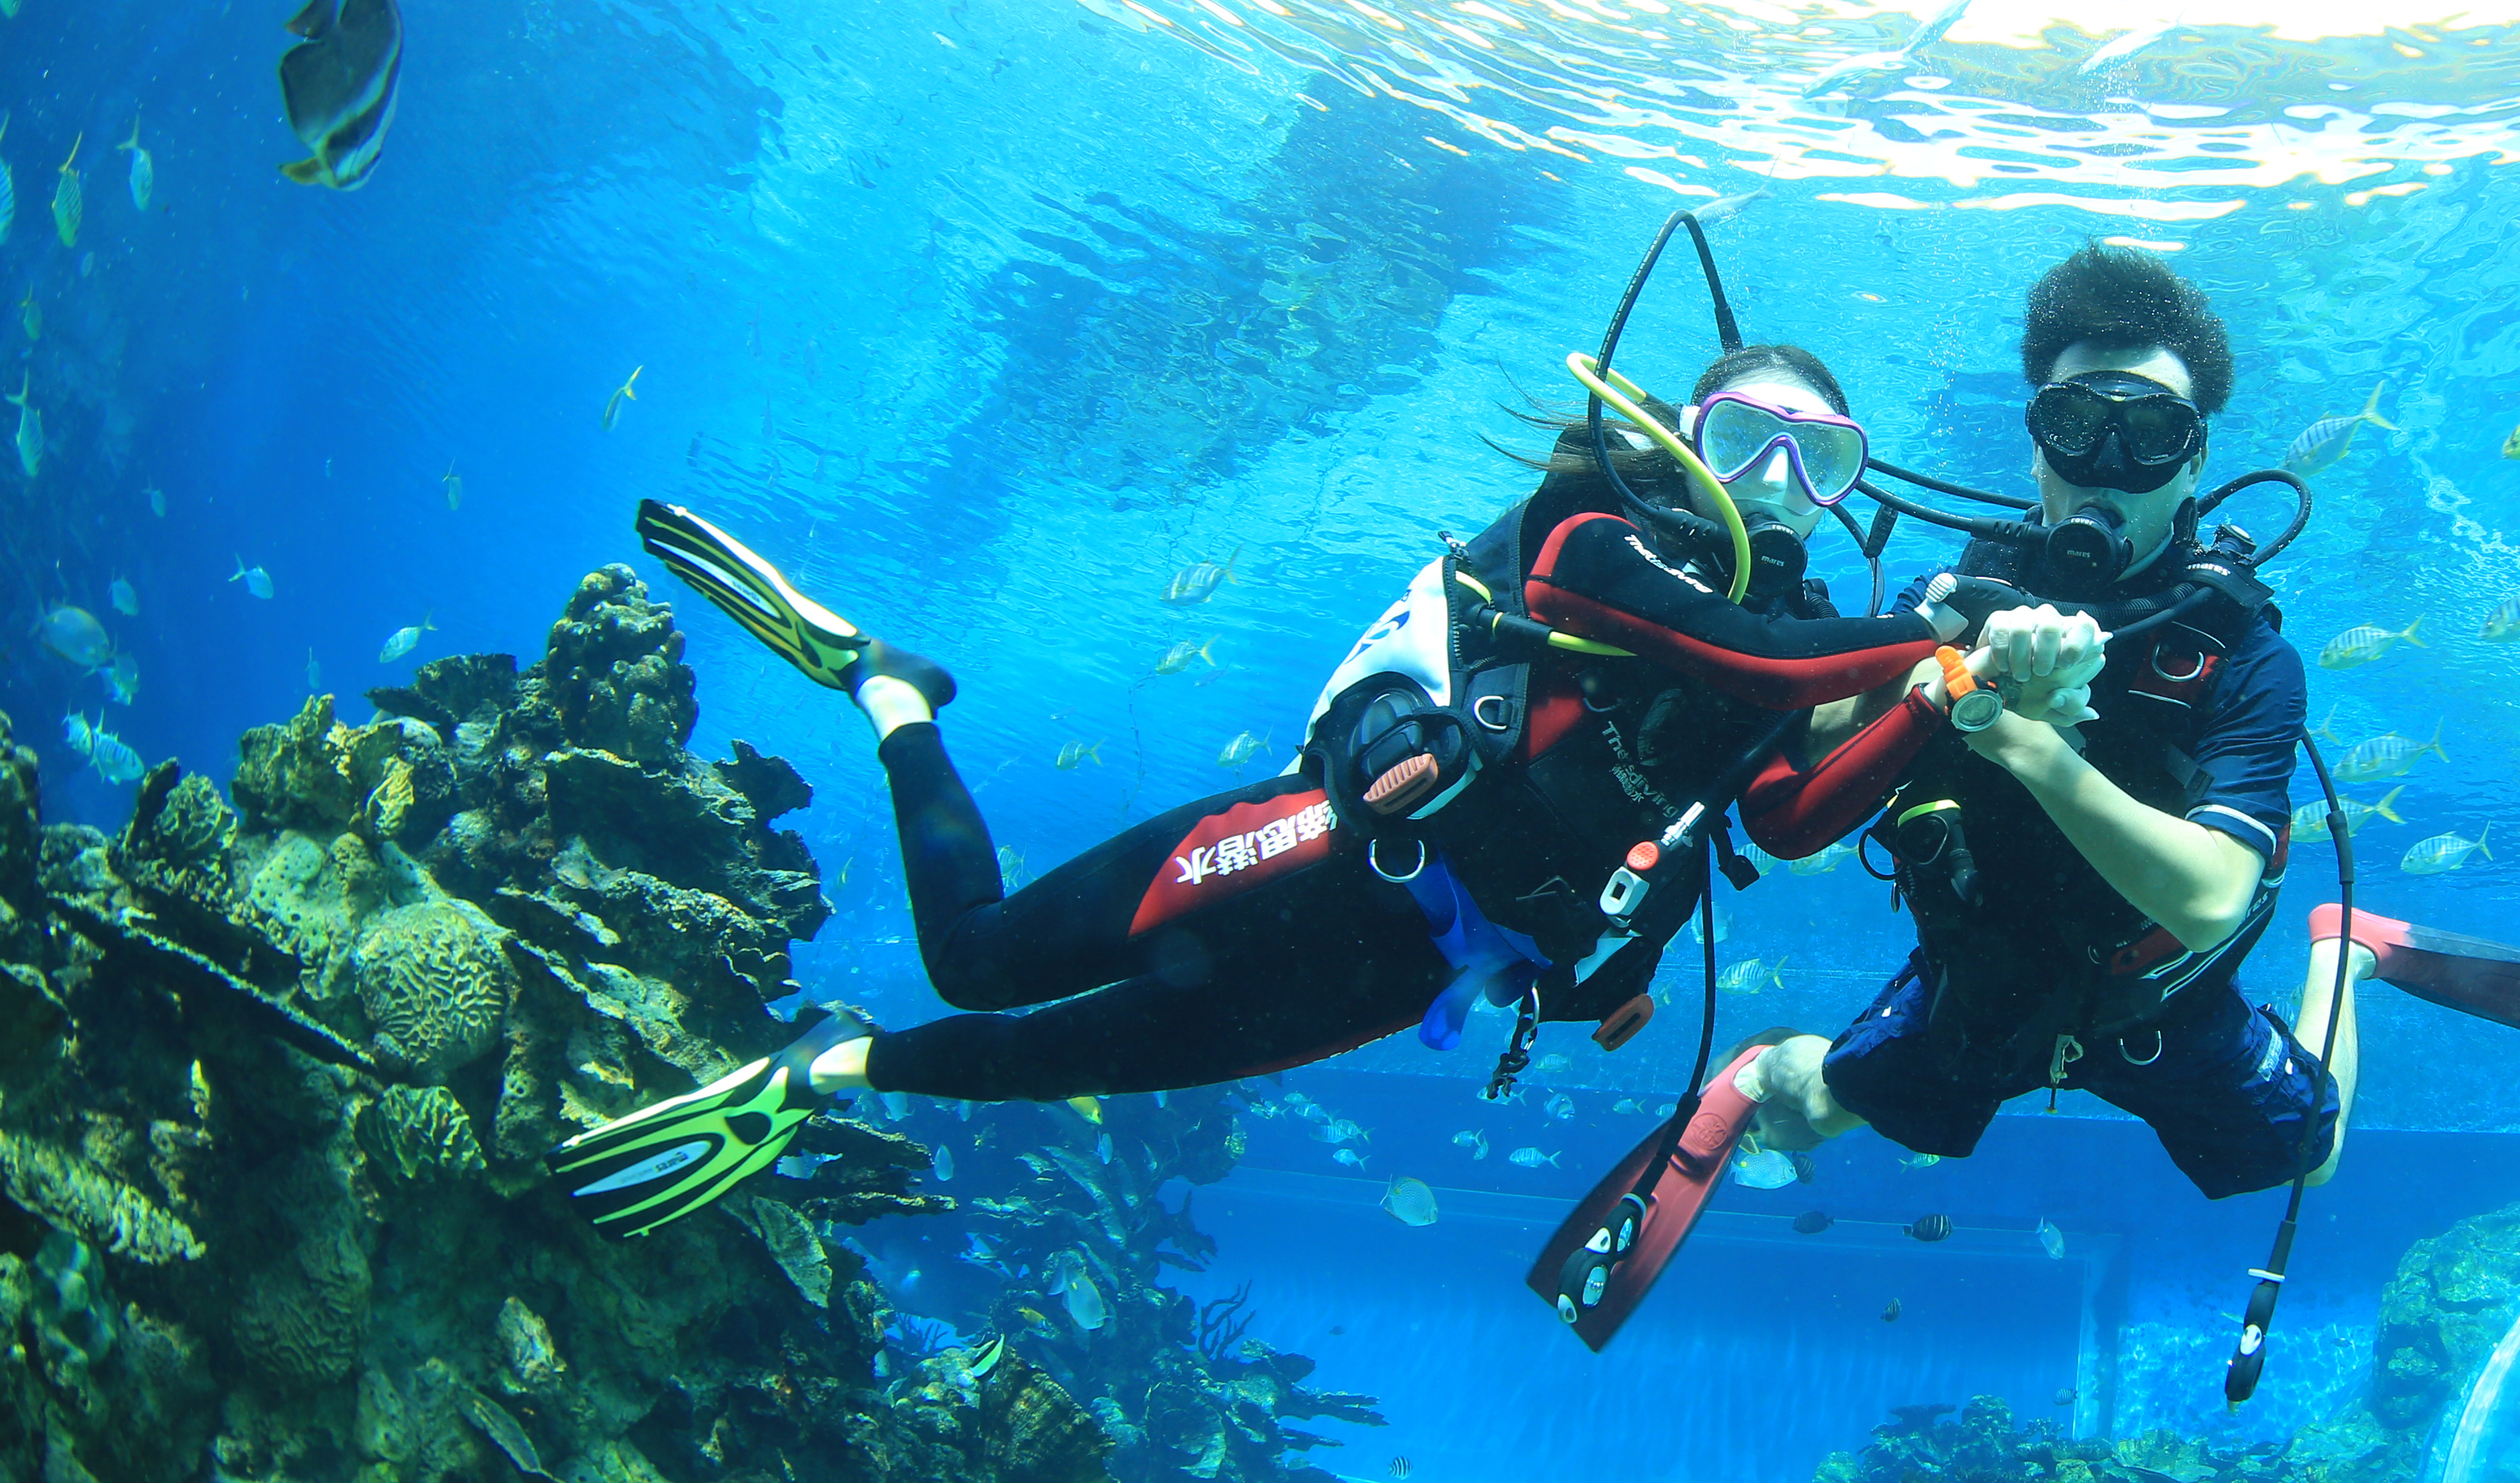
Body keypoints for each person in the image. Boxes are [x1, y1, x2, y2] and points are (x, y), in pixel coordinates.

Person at [550, 336, 2056, 1241]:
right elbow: (1747, 654)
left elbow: (1789, 818)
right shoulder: (1589, 531)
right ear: (1682, 444)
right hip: (1324, 853)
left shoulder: (1800, 648)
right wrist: (1939, 647)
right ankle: (894, 695)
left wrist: (1938, 704)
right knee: (979, 961)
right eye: (1745, 442)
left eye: (1821, 461)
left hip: (1424, 968)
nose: (1779, 488)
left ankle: (823, 1070)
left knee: (1069, 1056)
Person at [1532, 246, 2362, 1343]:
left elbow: (2212, 899)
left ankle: (2349, 948)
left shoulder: (2246, 658)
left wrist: (2025, 741)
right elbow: (1806, 766)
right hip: (1976, 985)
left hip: (2158, 1003)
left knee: (2312, 1151)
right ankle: (1766, 1070)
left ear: (2196, 458)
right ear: (2035, 446)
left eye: (2153, 434)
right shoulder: (1956, 602)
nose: (2109, 467)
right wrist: (1936, 668)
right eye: (2077, 425)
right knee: (1807, 1105)